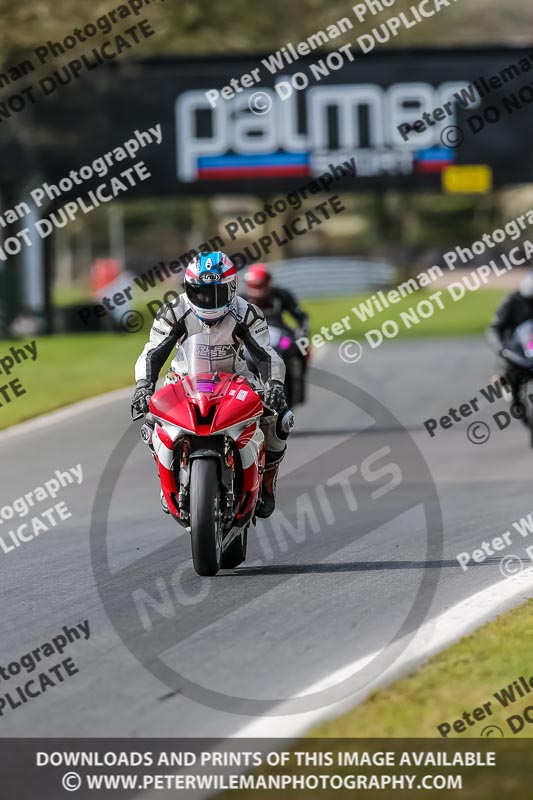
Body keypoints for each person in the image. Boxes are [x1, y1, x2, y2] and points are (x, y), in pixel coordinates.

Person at [131, 251, 289, 518]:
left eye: (215, 293)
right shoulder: (173, 311)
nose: (206, 300)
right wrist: (143, 386)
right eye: (199, 292)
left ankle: (267, 481)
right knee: (150, 420)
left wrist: (274, 384)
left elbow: (266, 355)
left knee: (280, 418)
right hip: (182, 378)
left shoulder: (248, 313)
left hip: (235, 379)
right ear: (188, 288)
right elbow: (152, 352)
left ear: (231, 289)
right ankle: (167, 478)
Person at [490, 271, 533, 412]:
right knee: (509, 369)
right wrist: (501, 347)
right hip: (516, 346)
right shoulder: (511, 301)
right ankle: (514, 398)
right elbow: (495, 328)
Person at [241, 263, 309, 335]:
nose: (258, 292)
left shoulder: (281, 295)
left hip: (281, 338)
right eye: (254, 286)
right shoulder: (241, 300)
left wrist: (301, 336)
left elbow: (302, 317)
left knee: (291, 343)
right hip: (252, 338)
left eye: (260, 285)